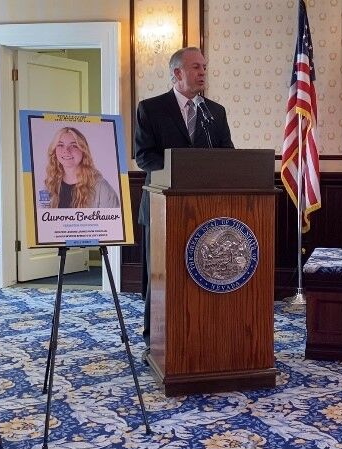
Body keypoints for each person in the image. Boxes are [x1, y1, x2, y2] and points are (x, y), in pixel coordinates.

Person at [134, 47, 234, 355]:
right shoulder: (151, 108)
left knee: (199, 274)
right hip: (162, 206)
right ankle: (155, 341)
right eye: (196, 67)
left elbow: (228, 155)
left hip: (204, 210)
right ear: (177, 72)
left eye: (204, 66)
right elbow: (144, 157)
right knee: (160, 276)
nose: (203, 72)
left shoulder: (214, 112)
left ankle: (197, 335)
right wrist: (178, 168)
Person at [44, 126, 120, 209]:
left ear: (83, 150)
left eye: (73, 145)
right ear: (54, 150)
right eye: (60, 145)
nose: (66, 150)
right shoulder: (49, 185)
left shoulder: (102, 188)